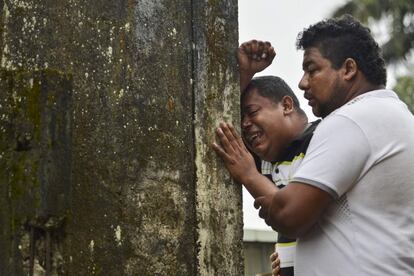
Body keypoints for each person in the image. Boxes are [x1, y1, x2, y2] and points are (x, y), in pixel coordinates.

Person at [215, 15, 414, 276]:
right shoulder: (397, 116)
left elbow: (289, 215)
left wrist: (249, 175)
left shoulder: (349, 121)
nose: (303, 82)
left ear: (348, 69)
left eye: (312, 69)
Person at [225, 40, 320, 276]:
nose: (245, 124)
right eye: (241, 118)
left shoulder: (322, 140)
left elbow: (296, 214)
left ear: (286, 105)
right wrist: (245, 72)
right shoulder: (264, 160)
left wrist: (249, 175)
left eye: (253, 112)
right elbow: (219, 124)